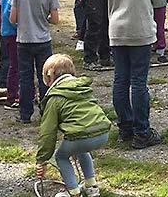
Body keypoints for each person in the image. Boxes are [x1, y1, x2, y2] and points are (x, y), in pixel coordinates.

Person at [103, 0, 166, 149]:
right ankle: (142, 132)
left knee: (120, 80)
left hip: (117, 29)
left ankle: (125, 128)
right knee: (139, 82)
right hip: (139, 29)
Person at [35, 54, 111, 197]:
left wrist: (42, 160)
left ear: (49, 77)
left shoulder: (54, 98)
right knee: (82, 150)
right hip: (103, 133)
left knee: (61, 156)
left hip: (81, 137)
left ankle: (73, 192)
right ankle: (91, 186)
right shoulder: (82, 88)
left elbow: (47, 133)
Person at [9, 0, 59, 123]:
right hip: (43, 41)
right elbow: (55, 20)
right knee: (45, 77)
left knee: (25, 77)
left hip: (23, 41)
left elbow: (12, 19)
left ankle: (25, 114)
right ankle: (46, 112)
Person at [0, 0, 32, 110]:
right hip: (12, 32)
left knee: (24, 64)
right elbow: (7, 13)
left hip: (23, 31)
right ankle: (11, 97)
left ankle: (23, 93)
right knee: (15, 65)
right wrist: (20, 25)